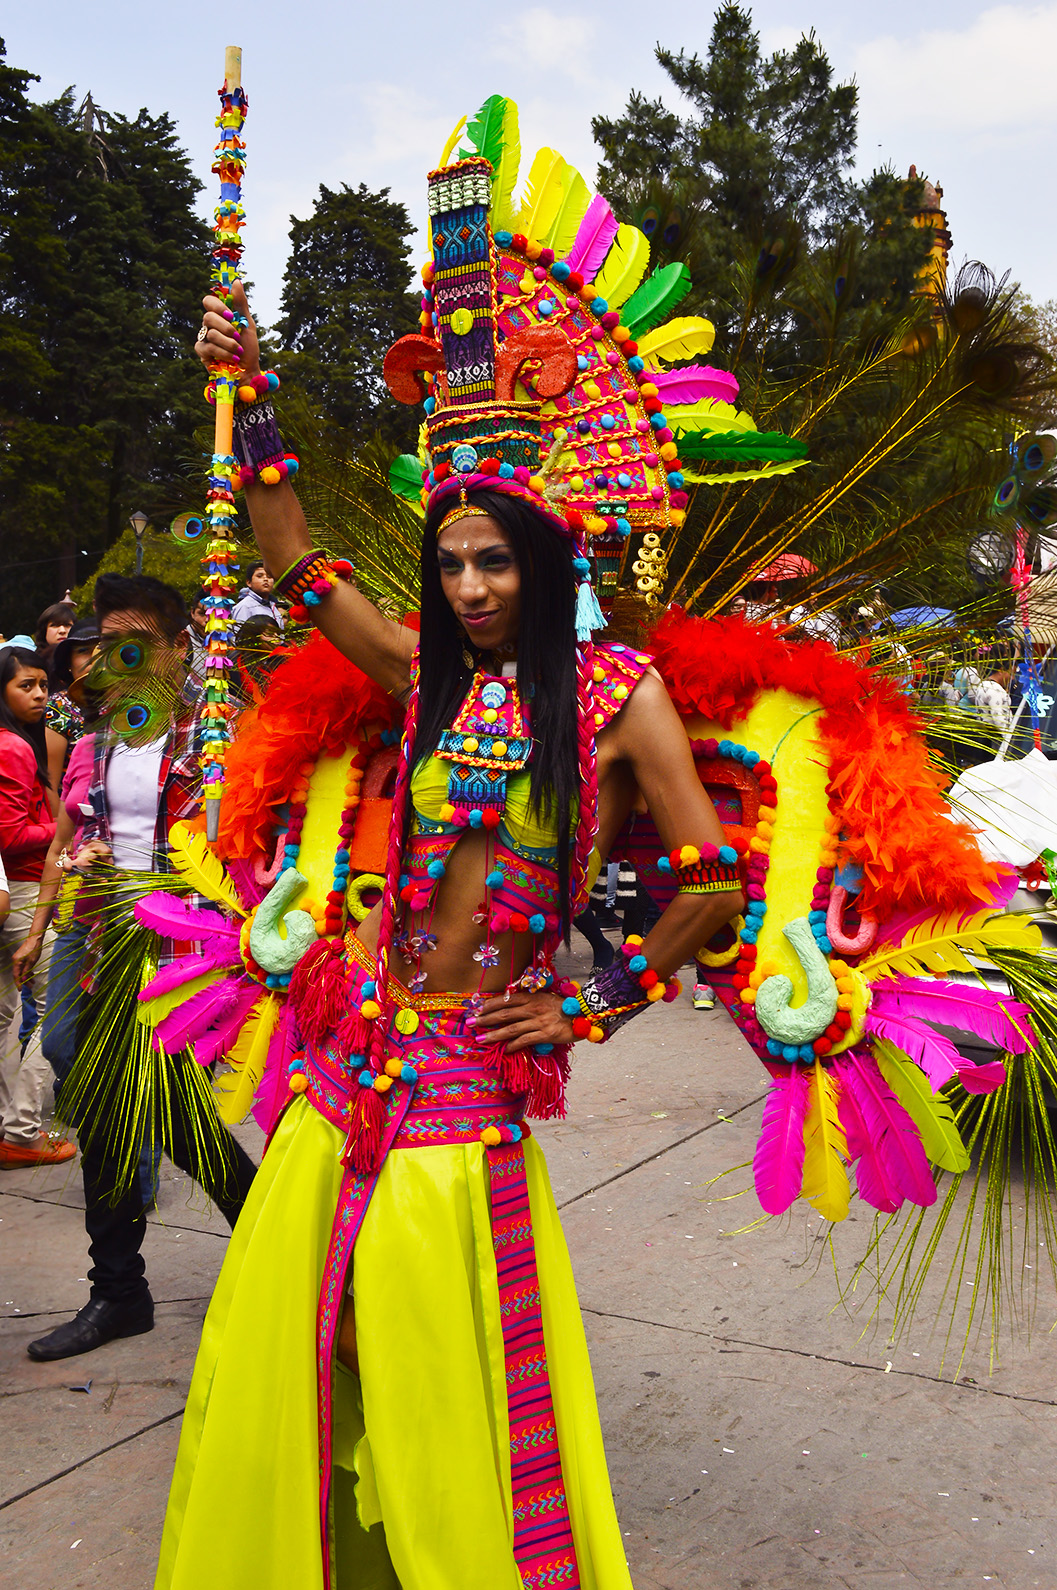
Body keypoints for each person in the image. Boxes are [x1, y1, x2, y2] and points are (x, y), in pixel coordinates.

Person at [157, 164, 745, 1583]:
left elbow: (714, 879)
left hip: (473, 1080)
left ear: (544, 562)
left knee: (446, 1368)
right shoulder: (420, 680)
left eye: (497, 562)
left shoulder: (614, 696)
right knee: (287, 1341)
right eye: (456, 561)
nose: (473, 586)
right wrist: (260, 383)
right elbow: (290, 556)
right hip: (348, 1056)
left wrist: (596, 1004)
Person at [16, 573, 259, 1361]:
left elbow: (254, 853)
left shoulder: (220, 741)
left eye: (138, 643)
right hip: (100, 946)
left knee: (163, 1112)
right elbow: (68, 836)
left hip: (184, 953)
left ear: (178, 646)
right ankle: (120, 1291)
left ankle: (267, 1257)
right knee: (108, 1103)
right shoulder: (95, 742)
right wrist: (65, 892)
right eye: (108, 644)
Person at [0, 646, 71, 1167]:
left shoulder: (21, 743)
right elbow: (10, 833)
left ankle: (12, 1128)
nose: (41, 694)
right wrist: (69, 830)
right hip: (24, 891)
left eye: (44, 684)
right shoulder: (11, 748)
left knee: (7, 1015)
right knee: (53, 1011)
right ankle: (22, 1129)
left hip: (17, 891)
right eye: (27, 685)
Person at [44, 617, 99, 788]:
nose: (93, 659)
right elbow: (50, 785)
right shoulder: (59, 707)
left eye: (100, 650)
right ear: (69, 663)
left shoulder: (131, 703)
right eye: (83, 651)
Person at [231, 560, 284, 632]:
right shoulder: (245, 606)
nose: (265, 579)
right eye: (260, 576)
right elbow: (237, 638)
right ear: (249, 582)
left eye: (269, 576)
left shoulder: (273, 606)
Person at [974, 643, 1014, 732]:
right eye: (1010, 673)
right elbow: (999, 721)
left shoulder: (983, 684)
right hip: (999, 737)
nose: (1012, 677)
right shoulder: (994, 690)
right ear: (1001, 670)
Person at [33, 600, 76, 679]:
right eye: (55, 625)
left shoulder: (81, 659)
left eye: (67, 625)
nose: (62, 631)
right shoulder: (34, 663)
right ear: (44, 630)